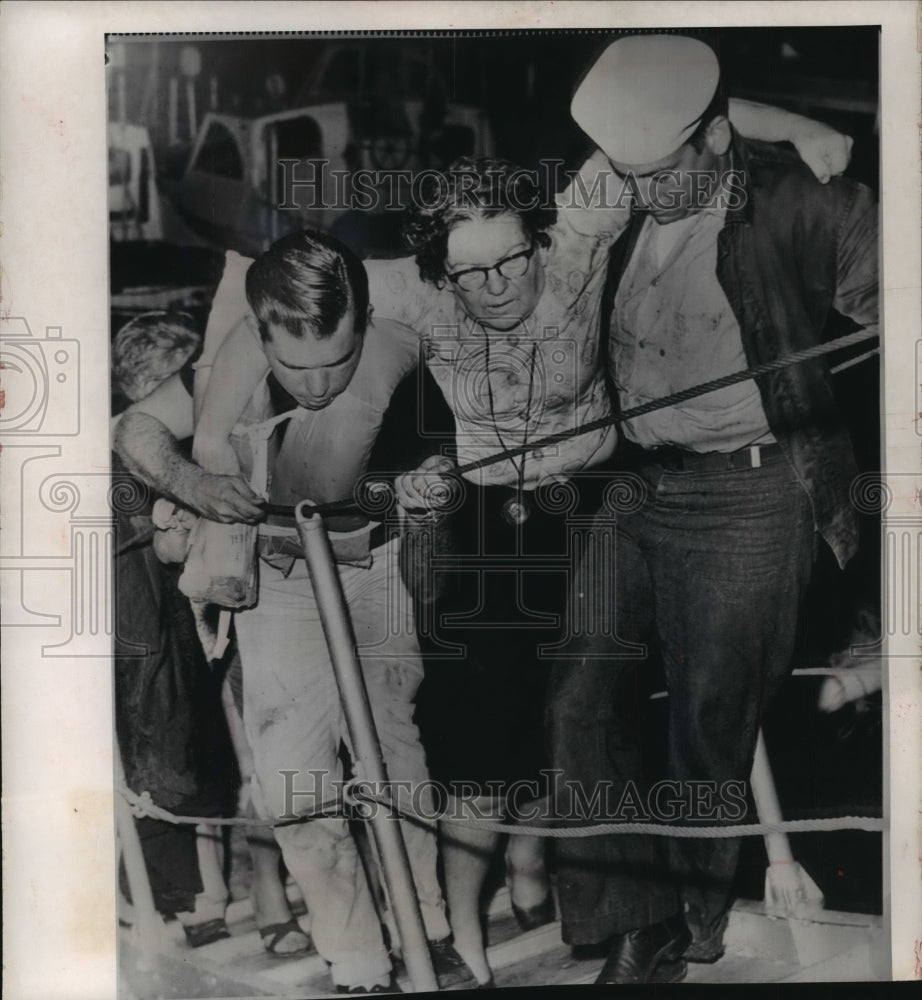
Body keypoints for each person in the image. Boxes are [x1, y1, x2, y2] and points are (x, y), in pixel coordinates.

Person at [195, 109, 854, 986]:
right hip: (479, 518)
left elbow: (655, 116)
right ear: (439, 270)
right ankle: (459, 933)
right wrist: (209, 455)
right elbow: (265, 296)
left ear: (540, 240)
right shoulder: (416, 288)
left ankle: (611, 901)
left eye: (510, 259)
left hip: (597, 505)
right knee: (470, 733)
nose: (496, 283)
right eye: (469, 272)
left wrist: (798, 129)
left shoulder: (576, 244)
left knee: (609, 708)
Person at [547, 33, 878, 984]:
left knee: (710, 716)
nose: (642, 192)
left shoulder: (798, 201)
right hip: (638, 482)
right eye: (628, 175)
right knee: (579, 690)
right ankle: (624, 912)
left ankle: (675, 935)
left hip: (754, 488)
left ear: (716, 141)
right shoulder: (616, 178)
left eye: (662, 175)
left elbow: (895, 282)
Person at [117, 231, 471, 994]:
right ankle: (357, 962)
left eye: (337, 363)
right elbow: (133, 430)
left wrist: (436, 489)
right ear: (261, 334)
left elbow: (445, 466)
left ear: (363, 323)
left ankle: (428, 932)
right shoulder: (223, 368)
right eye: (294, 366)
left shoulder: (404, 359)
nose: (316, 387)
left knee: (394, 758)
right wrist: (193, 483)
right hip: (276, 584)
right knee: (295, 784)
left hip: (372, 570)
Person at [111, 312, 312, 958]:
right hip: (194, 612)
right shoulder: (133, 449)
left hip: (240, 591)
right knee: (222, 753)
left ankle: (270, 893)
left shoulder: (212, 423)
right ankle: (238, 894)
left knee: (255, 753)